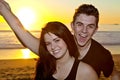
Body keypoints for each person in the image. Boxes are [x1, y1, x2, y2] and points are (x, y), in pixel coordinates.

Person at [0, 0, 119, 79]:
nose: (84, 31)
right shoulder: (60, 45)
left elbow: (114, 74)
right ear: (72, 26)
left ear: (96, 29)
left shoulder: (102, 54)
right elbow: (27, 38)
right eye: (79, 24)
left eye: (90, 26)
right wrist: (6, 12)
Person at [34, 21, 98, 80]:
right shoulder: (43, 66)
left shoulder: (86, 72)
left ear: (66, 39)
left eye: (57, 40)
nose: (53, 47)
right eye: (48, 43)